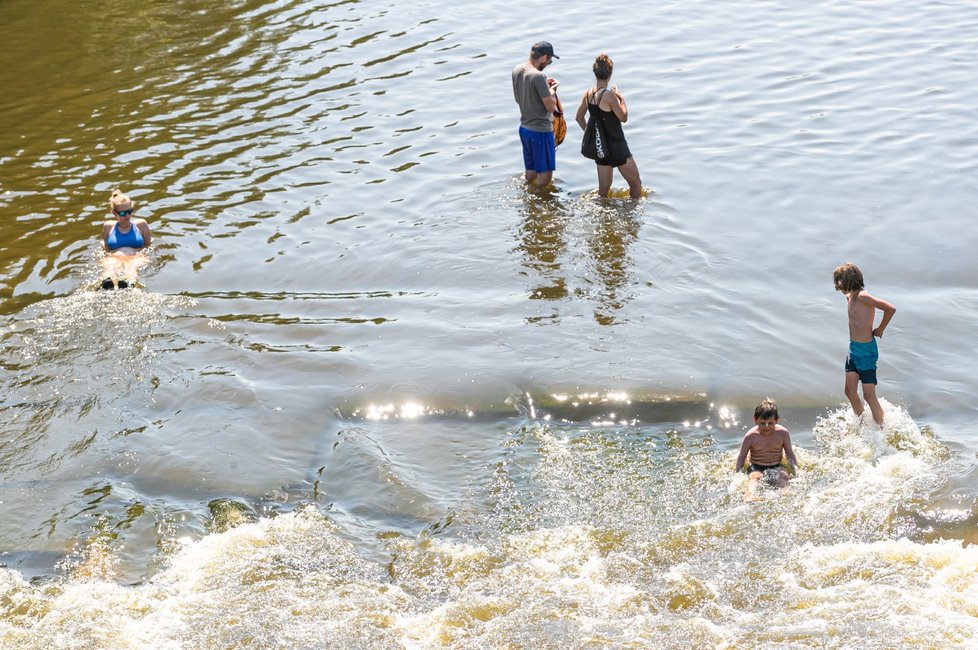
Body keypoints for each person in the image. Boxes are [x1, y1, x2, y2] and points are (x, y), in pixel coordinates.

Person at [833, 262, 896, 426]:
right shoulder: (850, 296)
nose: (838, 287)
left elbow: (890, 309)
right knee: (849, 391)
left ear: (849, 280)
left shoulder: (863, 296)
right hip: (853, 350)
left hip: (867, 352)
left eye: (840, 283)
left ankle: (882, 427)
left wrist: (880, 329)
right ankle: (862, 423)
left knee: (869, 396)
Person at [574, 53, 642, 199]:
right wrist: (621, 99)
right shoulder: (609, 96)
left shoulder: (587, 94)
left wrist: (591, 134)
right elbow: (623, 117)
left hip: (601, 148)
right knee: (635, 183)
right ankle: (633, 216)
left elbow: (579, 118)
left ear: (595, 73)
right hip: (617, 147)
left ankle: (602, 218)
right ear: (610, 74)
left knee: (603, 190)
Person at [512, 41, 560, 189]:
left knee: (531, 174)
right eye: (550, 61)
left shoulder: (517, 69)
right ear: (544, 58)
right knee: (545, 179)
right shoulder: (539, 76)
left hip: (525, 129)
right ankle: (538, 204)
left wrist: (544, 88)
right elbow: (551, 107)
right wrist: (551, 90)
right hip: (541, 131)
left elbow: (518, 98)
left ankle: (529, 200)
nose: (549, 63)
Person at [735, 399, 797, 497]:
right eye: (763, 423)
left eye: (770, 423)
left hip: (777, 464)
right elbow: (741, 456)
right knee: (755, 477)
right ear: (755, 420)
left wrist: (795, 469)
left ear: (777, 420)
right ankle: (749, 495)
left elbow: (789, 453)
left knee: (783, 476)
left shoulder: (783, 433)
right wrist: (738, 474)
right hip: (756, 465)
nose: (766, 427)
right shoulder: (751, 436)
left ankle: (785, 494)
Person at [100, 189, 152, 289]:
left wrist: (140, 255)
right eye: (123, 213)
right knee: (110, 265)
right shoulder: (108, 227)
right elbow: (107, 250)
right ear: (114, 213)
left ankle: (128, 282)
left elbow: (148, 246)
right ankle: (106, 283)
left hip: (135, 256)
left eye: (129, 211)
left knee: (132, 267)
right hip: (115, 256)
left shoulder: (141, 225)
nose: (127, 216)